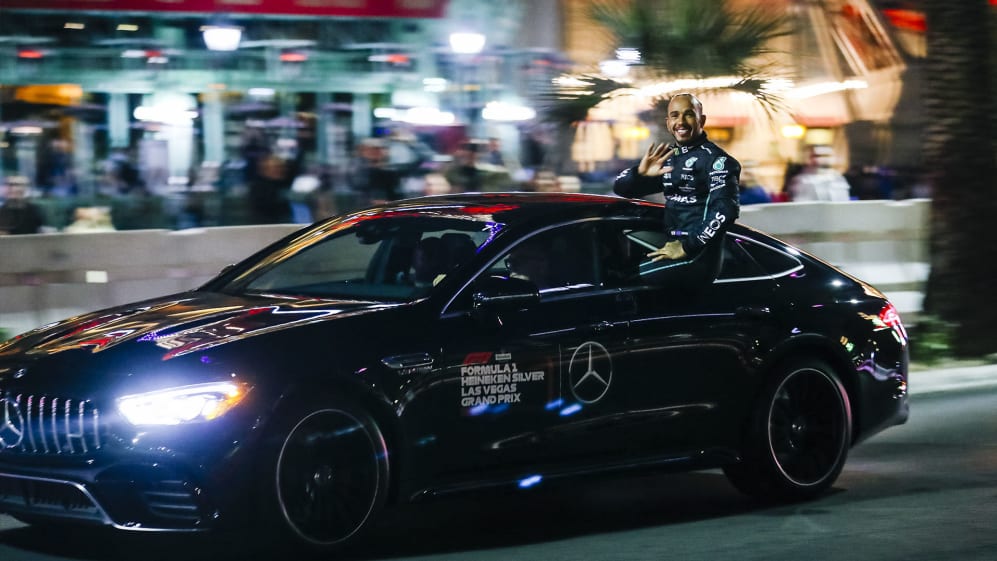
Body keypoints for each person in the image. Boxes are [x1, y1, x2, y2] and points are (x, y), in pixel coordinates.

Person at [613, 93, 740, 285]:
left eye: (688, 114)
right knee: (612, 266)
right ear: (668, 122)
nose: (681, 121)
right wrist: (639, 174)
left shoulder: (716, 161)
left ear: (701, 120)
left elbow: (726, 210)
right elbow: (621, 189)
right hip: (669, 244)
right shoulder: (669, 158)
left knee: (625, 283)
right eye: (675, 115)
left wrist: (688, 247)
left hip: (697, 255)